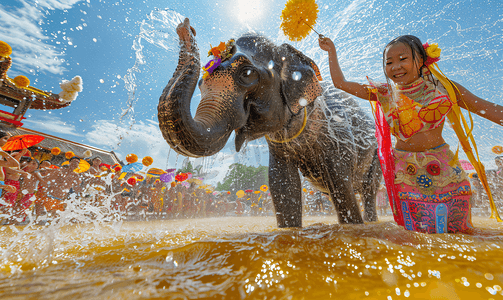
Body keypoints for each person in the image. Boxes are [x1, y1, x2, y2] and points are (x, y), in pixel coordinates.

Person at [319, 35, 503, 233]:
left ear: (421, 60)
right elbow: (341, 83)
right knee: (415, 234)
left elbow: (485, 108)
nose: (395, 66)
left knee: (460, 232)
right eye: (389, 62)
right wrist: (332, 52)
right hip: (406, 171)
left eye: (402, 59)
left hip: (444, 168)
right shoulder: (385, 93)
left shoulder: (444, 88)